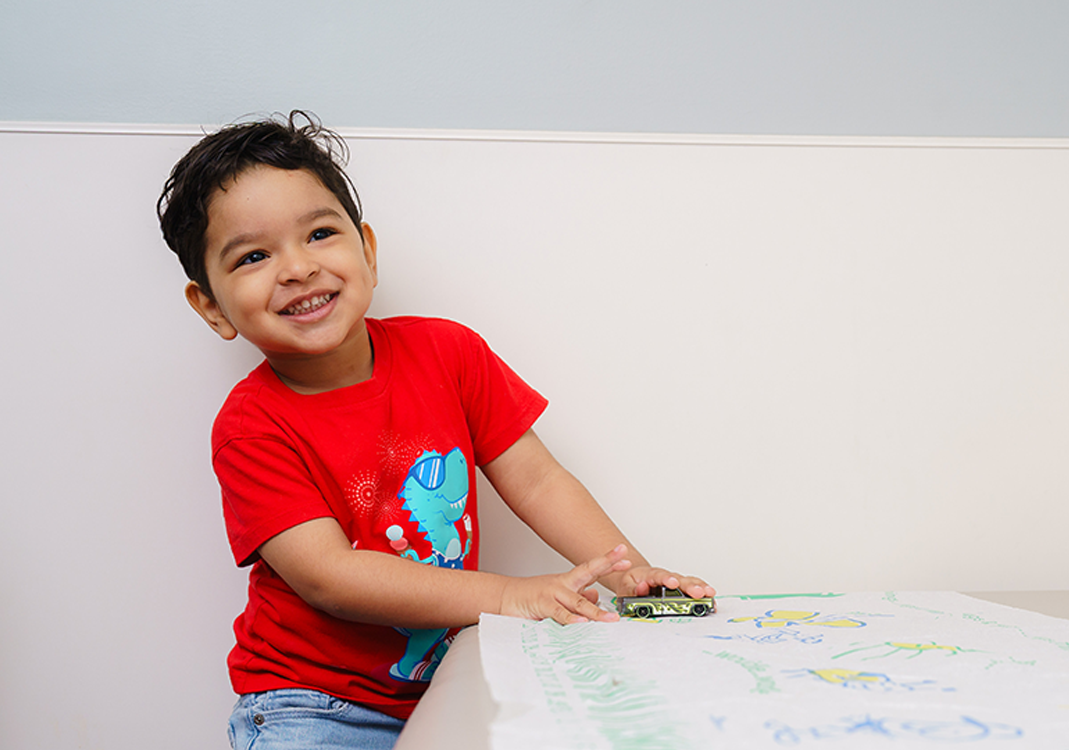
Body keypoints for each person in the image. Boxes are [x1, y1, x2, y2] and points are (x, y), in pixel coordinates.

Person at [157, 111, 714, 749]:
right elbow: (329, 576)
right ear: (211, 306)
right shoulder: (251, 427)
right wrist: (511, 596)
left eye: (319, 233)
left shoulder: (448, 354)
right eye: (254, 256)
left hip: (447, 685)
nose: (297, 268)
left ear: (367, 252)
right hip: (311, 704)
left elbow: (537, 480)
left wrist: (631, 577)